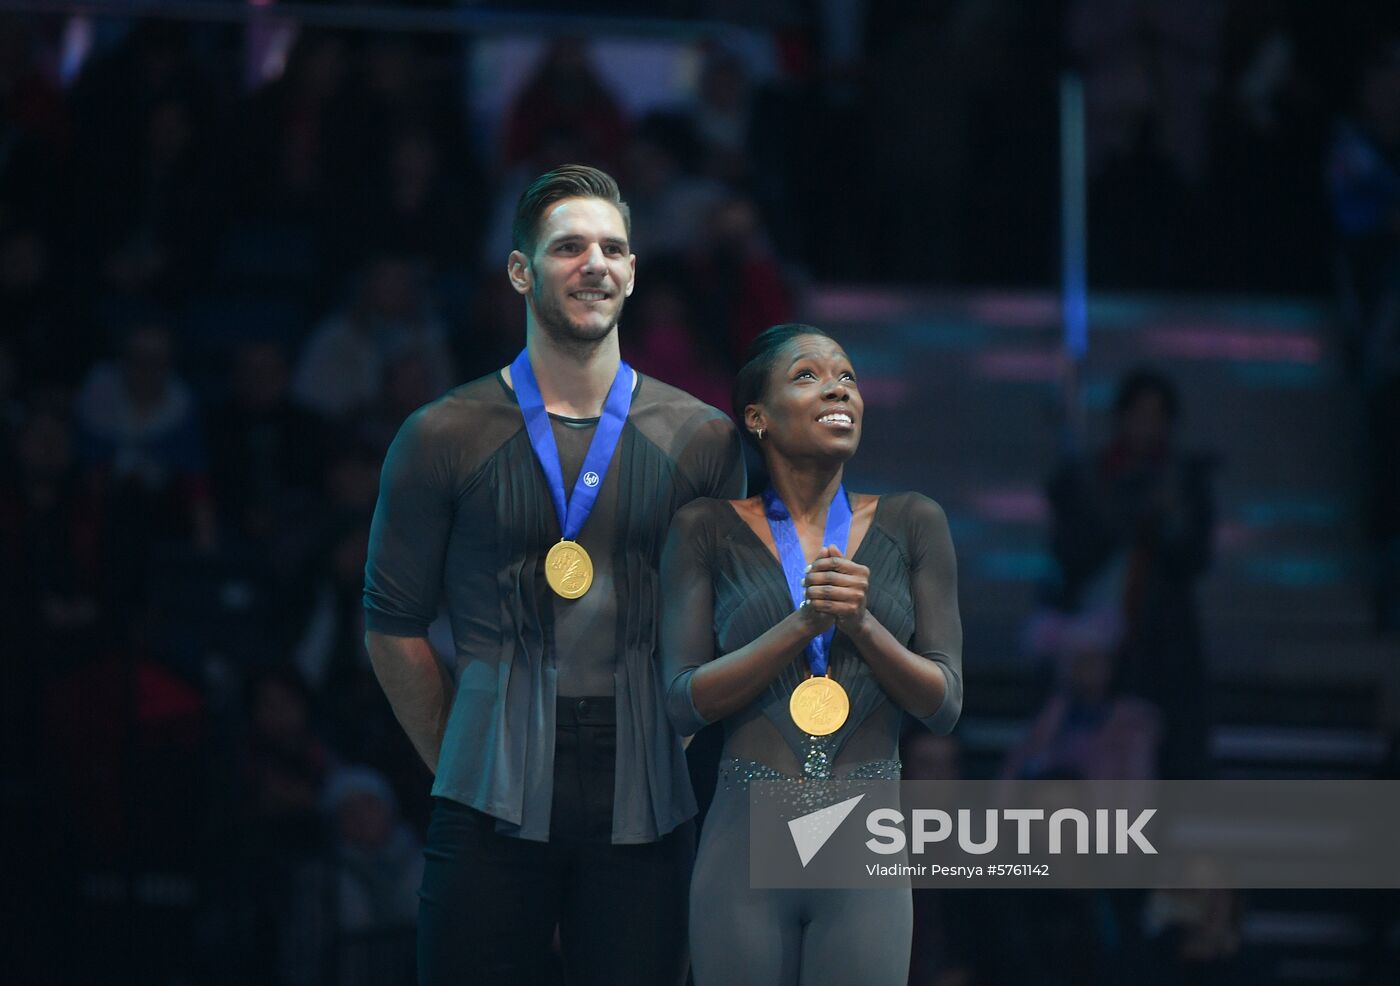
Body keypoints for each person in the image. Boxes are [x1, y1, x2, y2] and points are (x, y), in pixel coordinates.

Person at [363, 164, 744, 986]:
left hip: (647, 795)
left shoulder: (704, 439)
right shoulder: (441, 433)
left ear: (633, 272)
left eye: (613, 248)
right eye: (569, 247)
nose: (594, 264)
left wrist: (662, 740)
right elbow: (391, 624)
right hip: (487, 779)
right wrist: (462, 761)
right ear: (520, 270)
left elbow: (717, 628)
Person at [659, 323, 963, 985]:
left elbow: (944, 705)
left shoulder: (915, 522)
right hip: (743, 842)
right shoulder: (705, 528)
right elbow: (681, 703)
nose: (838, 389)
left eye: (848, 377)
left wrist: (862, 624)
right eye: (808, 375)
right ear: (757, 417)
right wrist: (802, 625)